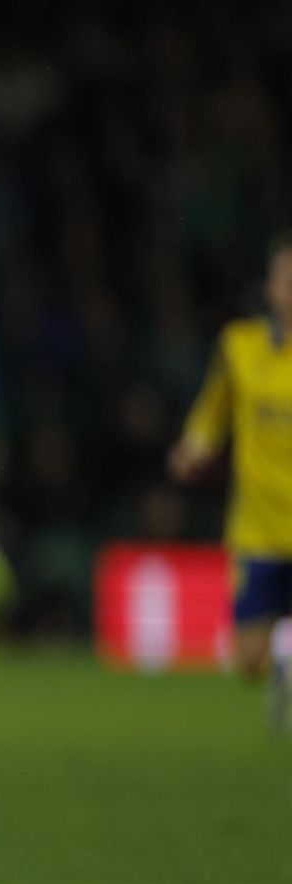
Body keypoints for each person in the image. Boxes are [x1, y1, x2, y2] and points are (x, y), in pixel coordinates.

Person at [170, 232, 292, 733]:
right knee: (247, 663)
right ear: (270, 287)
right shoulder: (239, 347)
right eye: (288, 278)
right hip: (259, 527)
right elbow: (212, 410)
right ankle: (281, 664)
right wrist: (194, 445)